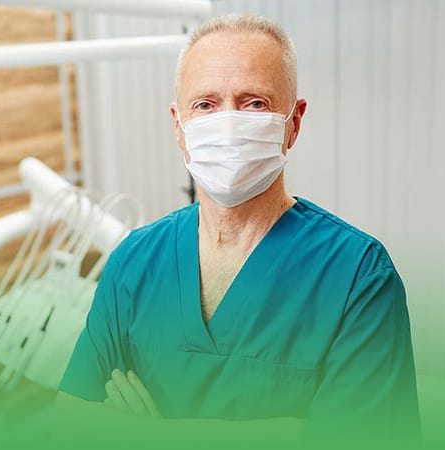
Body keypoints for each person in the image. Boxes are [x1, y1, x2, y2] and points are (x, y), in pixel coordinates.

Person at [55, 14, 420, 448]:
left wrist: (147, 433)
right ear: (179, 125)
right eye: (205, 105)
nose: (227, 125)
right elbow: (72, 422)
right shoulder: (133, 263)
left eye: (254, 104)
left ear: (294, 122)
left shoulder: (358, 278)